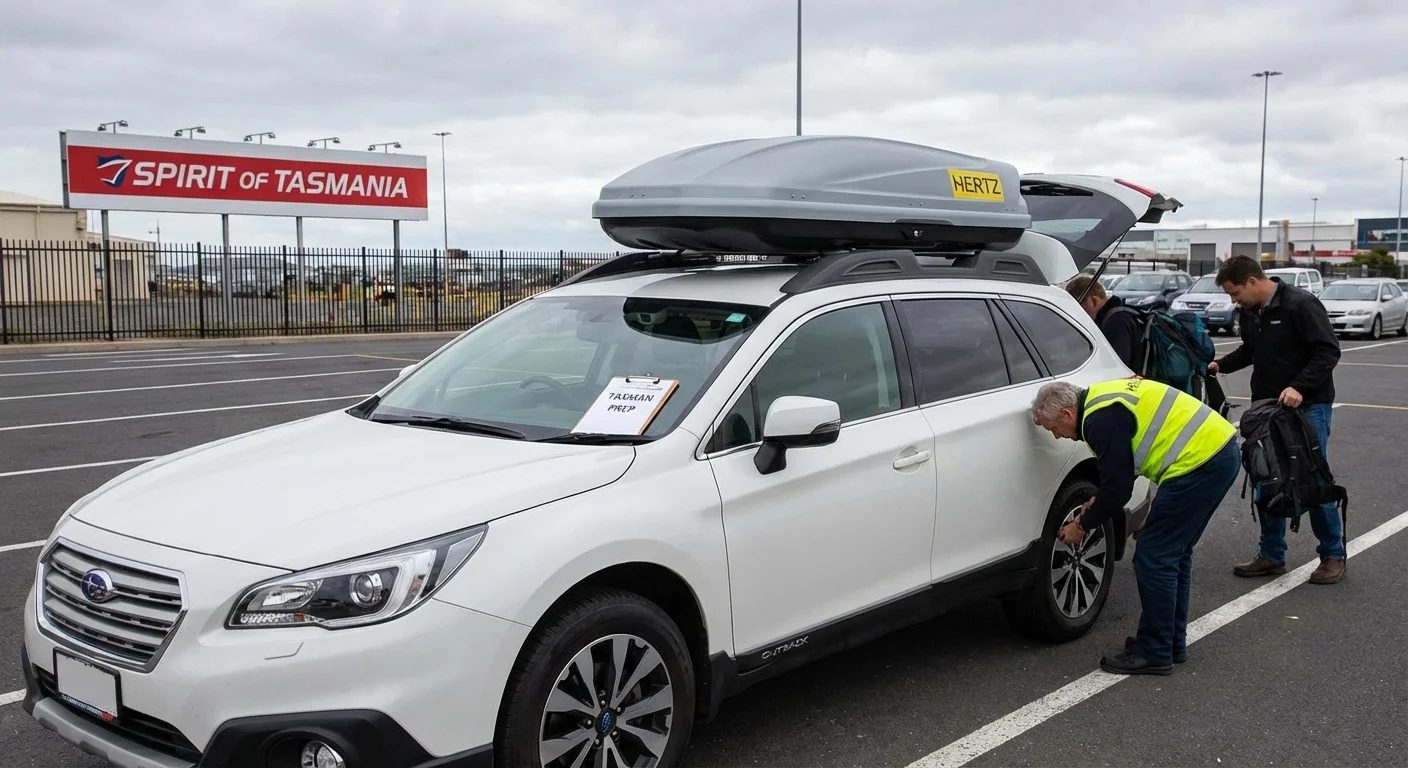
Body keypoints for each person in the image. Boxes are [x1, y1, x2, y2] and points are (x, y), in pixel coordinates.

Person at [1032, 377, 1240, 675]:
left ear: (1067, 413)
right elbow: (1125, 467)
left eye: (1053, 428)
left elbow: (1118, 491)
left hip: (1199, 464)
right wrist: (1103, 501)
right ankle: (1170, 643)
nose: (1057, 436)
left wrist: (1083, 524)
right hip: (1214, 453)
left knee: (1154, 557)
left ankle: (1154, 651)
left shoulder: (1098, 422)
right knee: (1174, 554)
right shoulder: (1102, 401)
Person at [1209, 255, 1345, 584]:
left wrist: (1299, 386)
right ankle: (1271, 555)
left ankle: (1332, 555)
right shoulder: (1250, 312)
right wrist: (1219, 365)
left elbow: (1328, 351)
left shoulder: (1300, 305)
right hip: (1266, 408)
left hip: (1308, 406)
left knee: (1312, 479)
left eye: (1235, 292)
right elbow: (1250, 350)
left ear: (1252, 281)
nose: (1233, 300)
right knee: (1266, 477)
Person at [1064, 276, 1142, 370]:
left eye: (1080, 308)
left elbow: (1115, 365)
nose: (1078, 314)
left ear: (1093, 301)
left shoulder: (1116, 320)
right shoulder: (1115, 315)